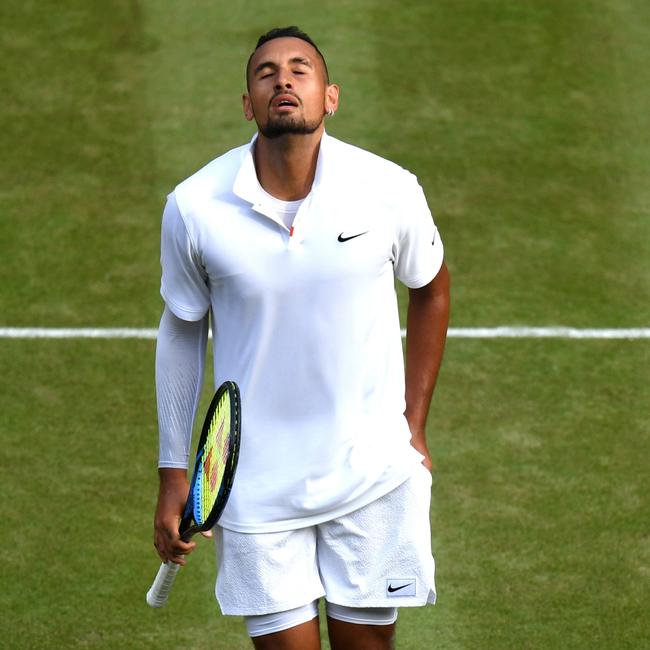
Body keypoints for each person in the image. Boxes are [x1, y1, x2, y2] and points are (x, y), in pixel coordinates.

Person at [152, 25, 450, 650]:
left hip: (371, 477)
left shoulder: (389, 189)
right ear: (247, 103)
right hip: (254, 486)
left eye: (299, 70)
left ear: (329, 96)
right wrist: (174, 471)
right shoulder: (194, 206)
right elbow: (182, 330)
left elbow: (431, 286)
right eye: (265, 73)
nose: (282, 81)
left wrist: (413, 424)